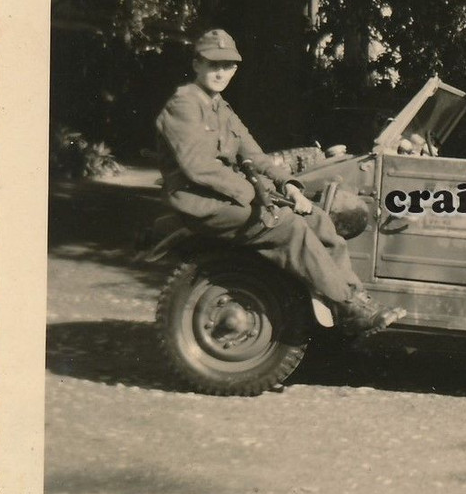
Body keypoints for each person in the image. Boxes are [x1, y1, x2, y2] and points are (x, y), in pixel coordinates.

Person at [155, 29, 405, 332]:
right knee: (288, 227)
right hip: (202, 202)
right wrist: (255, 194)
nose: (221, 72)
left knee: (318, 220)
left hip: (229, 197)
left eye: (228, 66)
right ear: (197, 64)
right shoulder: (184, 104)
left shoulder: (221, 107)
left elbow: (256, 155)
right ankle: (346, 304)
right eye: (213, 64)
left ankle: (356, 298)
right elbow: (198, 167)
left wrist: (287, 184)